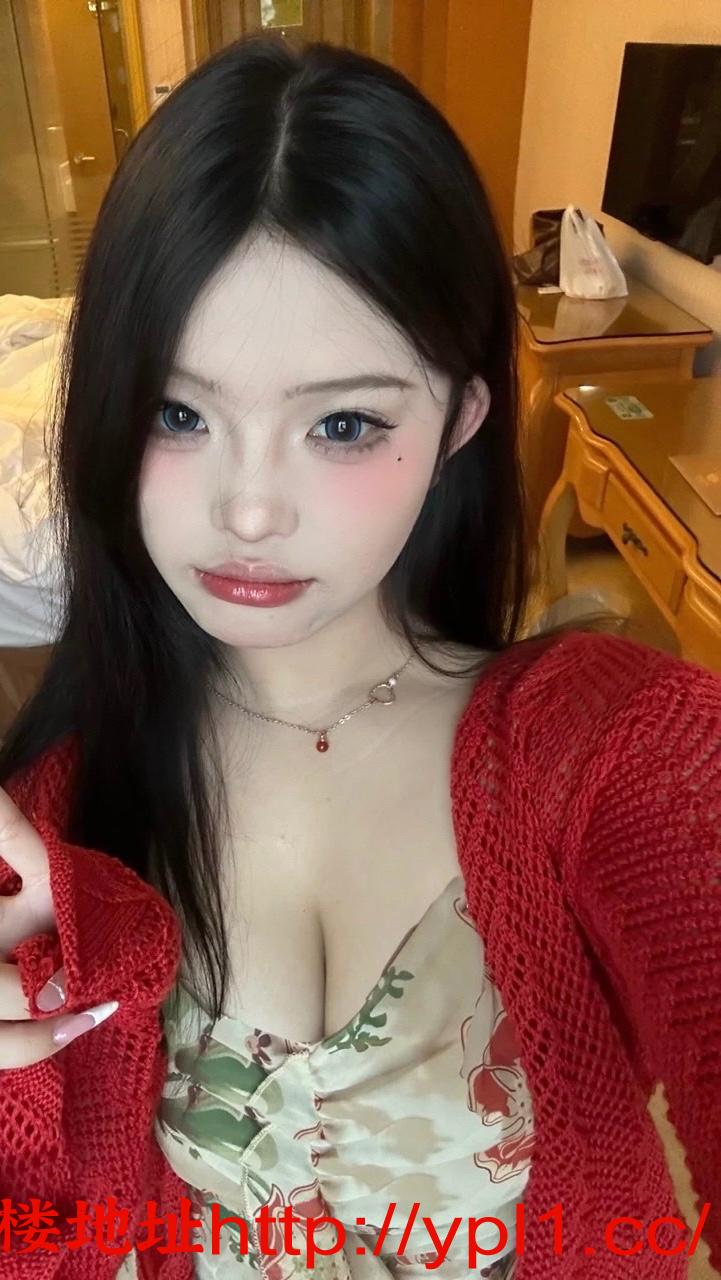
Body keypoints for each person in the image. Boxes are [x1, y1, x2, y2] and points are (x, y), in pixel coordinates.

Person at [0, 33, 719, 1280]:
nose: (249, 510)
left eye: (341, 421)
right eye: (178, 411)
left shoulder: (614, 750)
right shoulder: (58, 818)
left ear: (459, 420)